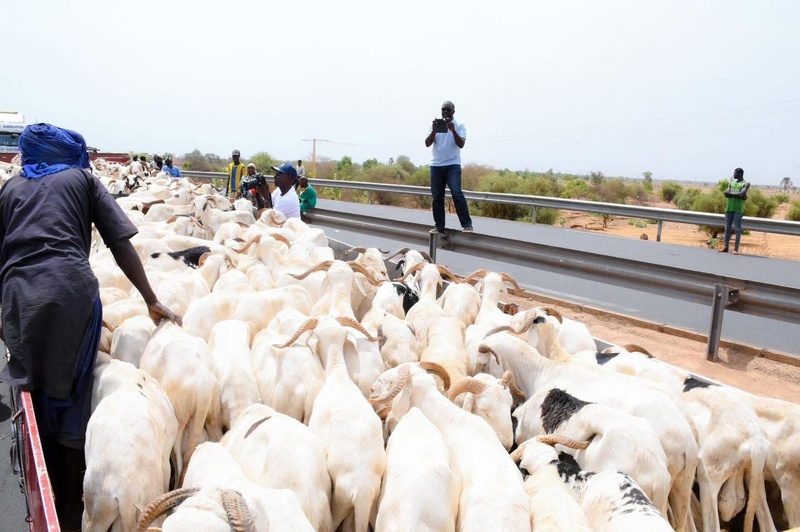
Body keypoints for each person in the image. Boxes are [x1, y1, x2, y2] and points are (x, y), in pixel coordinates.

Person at [0, 123, 181, 530]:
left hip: (19, 297)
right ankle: (68, 505)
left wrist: (5, 312)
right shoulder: (83, 179)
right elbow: (118, 241)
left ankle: (40, 467)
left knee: (33, 386)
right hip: (71, 293)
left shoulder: (10, 189)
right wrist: (150, 298)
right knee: (71, 391)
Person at [424, 100, 473, 233]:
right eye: (443, 109)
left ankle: (467, 225)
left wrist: (453, 130)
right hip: (436, 165)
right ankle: (439, 227)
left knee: (456, 193)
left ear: (453, 111)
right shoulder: (435, 125)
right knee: (437, 197)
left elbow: (461, 144)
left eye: (448, 110)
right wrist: (434, 131)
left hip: (453, 165)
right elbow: (427, 143)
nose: (445, 112)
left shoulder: (460, 125)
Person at [720, 167, 751, 255]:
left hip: (738, 209)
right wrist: (739, 195)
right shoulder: (731, 183)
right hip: (729, 208)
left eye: (735, 173)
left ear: (740, 174)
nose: (733, 174)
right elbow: (726, 193)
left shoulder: (745, 183)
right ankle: (726, 247)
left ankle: (736, 249)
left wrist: (732, 194)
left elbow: (742, 193)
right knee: (727, 229)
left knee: (737, 229)